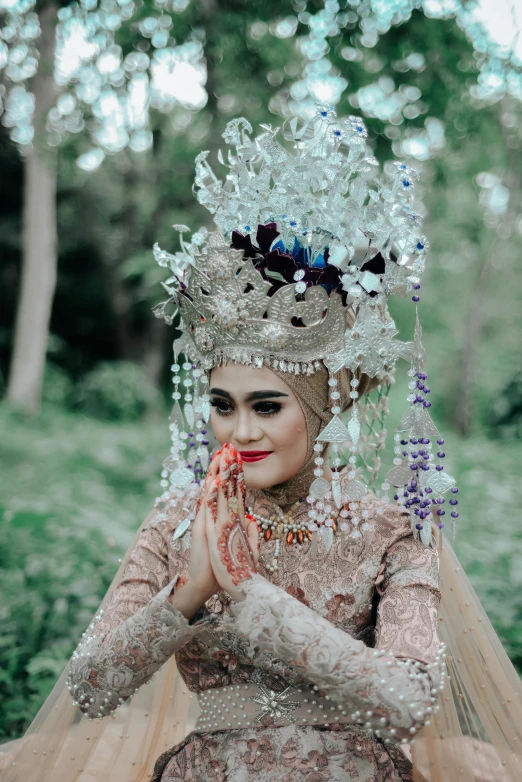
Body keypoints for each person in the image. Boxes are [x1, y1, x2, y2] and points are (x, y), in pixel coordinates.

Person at [2, 108, 521, 782]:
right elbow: (91, 689)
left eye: (267, 407)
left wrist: (249, 594)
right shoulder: (176, 522)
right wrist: (186, 592)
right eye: (222, 405)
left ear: (322, 407)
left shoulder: (390, 530)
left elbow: (408, 704)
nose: (240, 432)